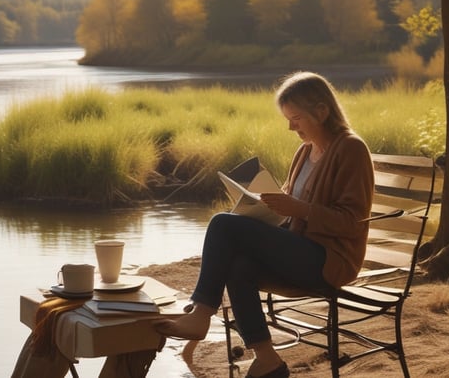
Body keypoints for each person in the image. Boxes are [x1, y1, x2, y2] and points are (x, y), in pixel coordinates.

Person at [153, 71, 374, 378]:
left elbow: (352, 223)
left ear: (322, 111)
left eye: (296, 117)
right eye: (288, 118)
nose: (290, 126)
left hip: (330, 260)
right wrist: (262, 208)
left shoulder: (351, 149)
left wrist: (301, 209)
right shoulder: (305, 151)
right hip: (300, 250)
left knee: (222, 225)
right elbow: (291, 209)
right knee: (239, 266)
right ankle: (267, 358)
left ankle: (201, 313)